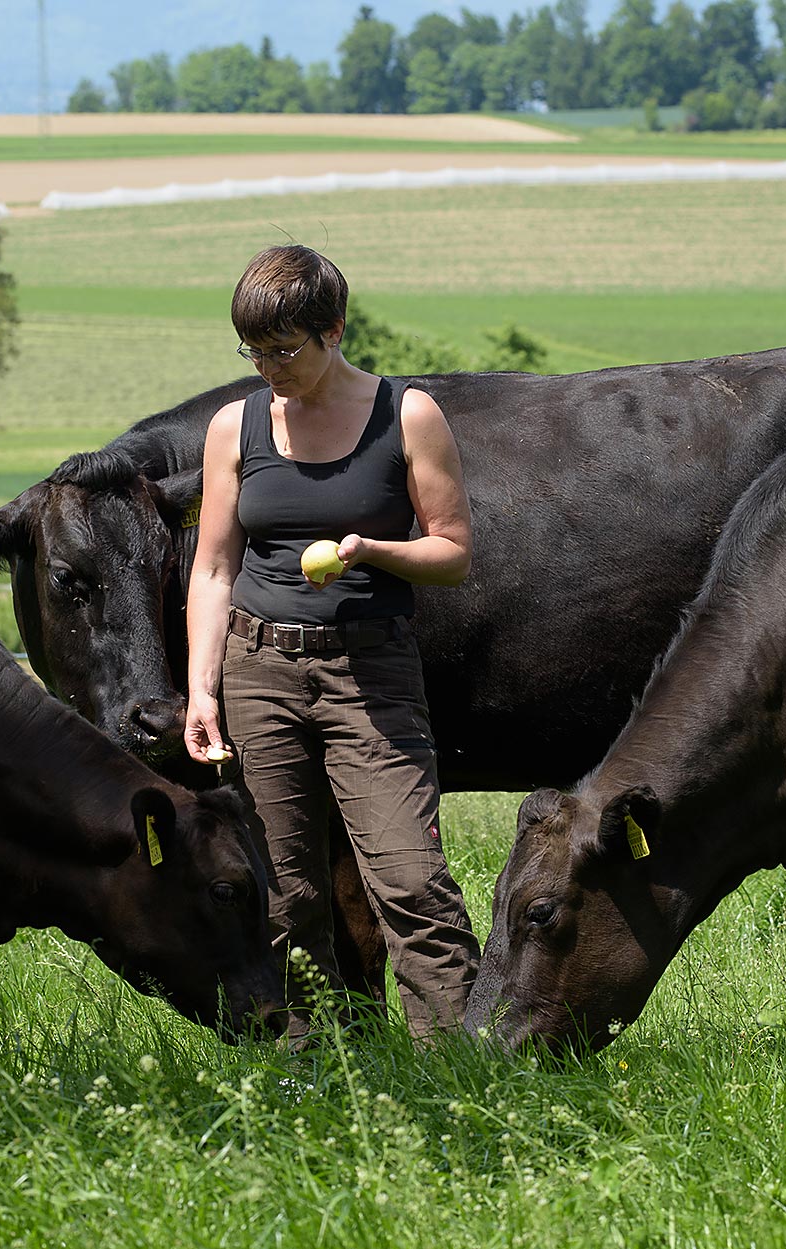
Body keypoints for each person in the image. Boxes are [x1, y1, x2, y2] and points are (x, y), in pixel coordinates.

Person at [183, 244, 479, 1044]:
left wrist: (374, 551)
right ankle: (307, 1065)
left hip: (370, 670)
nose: (270, 367)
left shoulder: (406, 414)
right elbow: (213, 567)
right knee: (283, 891)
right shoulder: (233, 426)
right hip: (258, 669)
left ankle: (453, 1066)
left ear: (334, 330)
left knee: (411, 881)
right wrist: (203, 691)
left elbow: (453, 551)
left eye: (286, 349)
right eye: (254, 350)